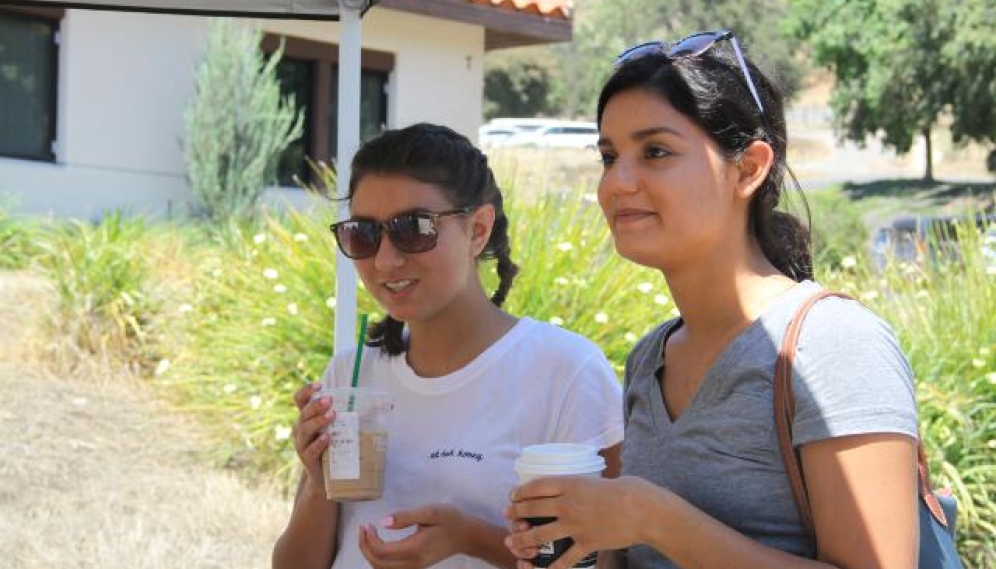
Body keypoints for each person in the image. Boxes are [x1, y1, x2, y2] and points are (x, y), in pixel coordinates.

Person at [505, 30, 919, 569]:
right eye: (609, 156)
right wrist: (579, 541)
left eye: (655, 151)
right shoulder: (649, 358)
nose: (616, 183)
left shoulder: (833, 344)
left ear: (748, 169)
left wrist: (655, 518)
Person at [272, 123, 624, 569]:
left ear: (477, 230)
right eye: (363, 233)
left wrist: (472, 539)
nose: (385, 260)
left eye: (413, 230)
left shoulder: (563, 371)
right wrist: (319, 483)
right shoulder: (351, 376)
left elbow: (609, 561)